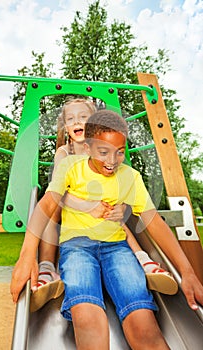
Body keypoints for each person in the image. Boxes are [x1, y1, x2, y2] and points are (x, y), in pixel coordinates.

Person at [11, 110, 203, 349]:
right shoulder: (71, 167)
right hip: (77, 248)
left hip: (117, 249)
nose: (112, 161)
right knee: (87, 316)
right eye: (103, 152)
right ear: (89, 147)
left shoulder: (130, 177)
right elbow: (47, 205)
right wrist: (27, 255)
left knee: (142, 321)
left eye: (120, 152)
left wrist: (187, 272)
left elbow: (154, 222)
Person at [33, 99, 177, 312]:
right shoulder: (64, 152)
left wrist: (123, 208)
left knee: (116, 217)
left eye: (83, 117)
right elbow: (58, 195)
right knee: (53, 214)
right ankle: (46, 268)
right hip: (71, 209)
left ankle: (143, 259)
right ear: (65, 126)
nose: (77, 122)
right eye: (71, 119)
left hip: (102, 212)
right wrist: (86, 206)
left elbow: (120, 187)